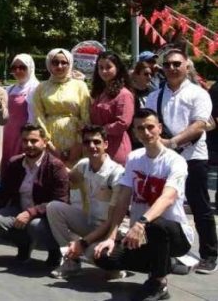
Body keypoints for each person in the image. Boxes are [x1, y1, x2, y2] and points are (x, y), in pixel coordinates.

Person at [77, 109, 196, 301]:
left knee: (156, 224)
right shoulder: (134, 158)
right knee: (103, 257)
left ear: (159, 128)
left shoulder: (176, 161)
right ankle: (166, 263)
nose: (146, 132)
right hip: (142, 235)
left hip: (174, 234)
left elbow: (168, 197)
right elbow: (124, 196)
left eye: (150, 127)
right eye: (140, 128)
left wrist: (141, 222)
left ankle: (159, 283)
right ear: (134, 132)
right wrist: (111, 236)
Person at [143, 48, 216, 273]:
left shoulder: (198, 93)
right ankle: (165, 252)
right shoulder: (155, 95)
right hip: (163, 159)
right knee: (163, 205)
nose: (172, 68)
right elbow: (149, 123)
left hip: (193, 157)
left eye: (177, 64)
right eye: (168, 65)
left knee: (199, 205)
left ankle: (210, 253)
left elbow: (199, 125)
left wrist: (173, 143)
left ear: (187, 66)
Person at [0, 124, 69, 268]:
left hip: (46, 216)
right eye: (25, 141)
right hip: (19, 210)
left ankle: (54, 252)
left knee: (35, 226)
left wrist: (31, 213)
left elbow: (60, 201)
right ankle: (24, 244)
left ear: (44, 141)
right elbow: (3, 193)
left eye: (34, 141)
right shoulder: (15, 163)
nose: (29, 145)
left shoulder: (56, 166)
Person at [44, 124, 125, 279]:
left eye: (96, 142)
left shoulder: (117, 173)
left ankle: (115, 265)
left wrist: (82, 243)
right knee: (54, 208)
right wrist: (48, 155)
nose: (92, 146)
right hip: (90, 222)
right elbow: (67, 177)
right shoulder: (83, 165)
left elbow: (111, 221)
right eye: (87, 142)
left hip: (110, 230)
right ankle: (71, 262)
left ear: (106, 144)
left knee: (90, 252)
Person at [33, 48, 90, 166]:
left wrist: (79, 144)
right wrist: (48, 144)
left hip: (76, 139)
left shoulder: (80, 86)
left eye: (64, 62)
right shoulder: (41, 88)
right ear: (49, 64)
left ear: (70, 64)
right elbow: (38, 115)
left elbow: (86, 115)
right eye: (55, 63)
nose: (59, 66)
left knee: (75, 177)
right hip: (50, 140)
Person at [90, 51, 135, 165]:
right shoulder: (100, 93)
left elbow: (123, 123)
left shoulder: (124, 94)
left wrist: (100, 130)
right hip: (98, 147)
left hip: (116, 148)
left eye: (108, 67)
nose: (104, 71)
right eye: (100, 67)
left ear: (117, 68)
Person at [1, 54, 39, 166]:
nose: (18, 71)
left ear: (30, 68)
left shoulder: (36, 89)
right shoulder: (10, 89)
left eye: (22, 67)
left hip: (24, 134)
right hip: (7, 134)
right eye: (14, 68)